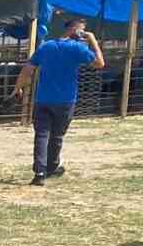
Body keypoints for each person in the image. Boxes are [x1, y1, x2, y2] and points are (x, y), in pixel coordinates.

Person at [13, 16, 105, 186]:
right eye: (82, 30)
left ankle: (40, 172)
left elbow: (28, 68)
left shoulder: (46, 46)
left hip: (43, 99)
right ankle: (51, 166)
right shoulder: (77, 48)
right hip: (65, 99)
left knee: (41, 135)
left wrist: (17, 88)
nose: (84, 34)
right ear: (74, 30)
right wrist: (92, 41)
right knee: (57, 135)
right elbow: (100, 63)